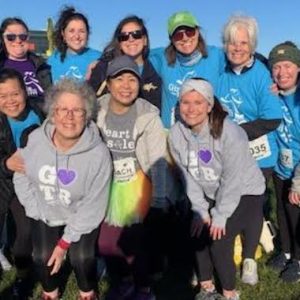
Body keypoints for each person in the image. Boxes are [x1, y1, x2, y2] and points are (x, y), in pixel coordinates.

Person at [13, 78, 112, 300]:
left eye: (77, 110)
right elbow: (21, 174)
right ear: (52, 113)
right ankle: (51, 292)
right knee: (41, 256)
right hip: (45, 209)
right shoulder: (36, 139)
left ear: (87, 116)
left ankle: (87, 292)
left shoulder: (98, 154)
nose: (69, 116)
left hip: (80, 214)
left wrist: (65, 243)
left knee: (82, 257)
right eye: (62, 109)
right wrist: (35, 209)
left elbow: (93, 206)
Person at [168, 78, 265, 300]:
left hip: (245, 191)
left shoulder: (230, 133)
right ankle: (207, 287)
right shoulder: (176, 134)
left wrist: (220, 215)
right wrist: (201, 210)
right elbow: (188, 176)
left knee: (218, 238)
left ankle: (230, 293)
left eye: (198, 102)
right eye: (185, 102)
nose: (191, 109)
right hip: (211, 190)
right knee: (198, 229)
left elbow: (232, 179)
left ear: (210, 105)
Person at [96, 55, 174, 300]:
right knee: (107, 244)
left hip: (138, 184)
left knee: (136, 245)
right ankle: (125, 280)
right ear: (108, 84)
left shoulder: (148, 115)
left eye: (132, 79)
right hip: (106, 184)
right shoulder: (94, 110)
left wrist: (160, 198)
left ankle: (143, 288)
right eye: (119, 79)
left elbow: (157, 159)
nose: (126, 85)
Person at [216, 15, 282, 285]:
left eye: (243, 43)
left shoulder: (262, 74)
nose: (238, 48)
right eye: (233, 42)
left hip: (260, 152)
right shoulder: (220, 69)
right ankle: (230, 248)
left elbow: (272, 118)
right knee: (228, 201)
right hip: (228, 151)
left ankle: (250, 259)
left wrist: (235, 132)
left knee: (252, 204)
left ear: (253, 45)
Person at [0, 68, 45, 298]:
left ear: (25, 93)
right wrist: (6, 163)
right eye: (3, 96)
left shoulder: (41, 111)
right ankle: (23, 274)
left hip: (44, 179)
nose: (10, 101)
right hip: (11, 185)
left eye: (15, 94)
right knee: (23, 233)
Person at [149, 11, 225, 128]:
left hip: (208, 136)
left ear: (198, 32)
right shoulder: (161, 58)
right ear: (171, 39)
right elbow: (135, 54)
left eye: (189, 32)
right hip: (172, 135)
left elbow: (241, 55)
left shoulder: (216, 56)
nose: (185, 38)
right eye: (178, 35)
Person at [267, 41, 300, 283]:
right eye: (276, 67)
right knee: (281, 208)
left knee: (296, 211)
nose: (282, 72)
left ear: (298, 67)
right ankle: (286, 251)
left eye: (287, 65)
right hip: (282, 167)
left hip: (299, 169)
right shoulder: (274, 95)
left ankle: (298, 261)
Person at [89, 15, 162, 110]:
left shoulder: (156, 71)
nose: (131, 39)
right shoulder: (103, 68)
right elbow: (88, 99)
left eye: (136, 34)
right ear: (119, 43)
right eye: (124, 36)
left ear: (145, 40)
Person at [0, 17, 52, 108]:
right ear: (2, 40)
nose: (18, 40)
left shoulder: (42, 66)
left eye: (23, 36)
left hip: (42, 118)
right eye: (11, 37)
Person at [48, 6, 100, 82]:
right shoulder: (53, 59)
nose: (77, 36)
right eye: (71, 31)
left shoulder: (99, 58)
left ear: (88, 34)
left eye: (81, 31)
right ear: (63, 34)